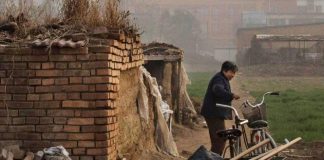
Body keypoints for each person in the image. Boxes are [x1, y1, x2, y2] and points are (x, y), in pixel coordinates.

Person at [201, 61, 240, 155]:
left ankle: (213, 157)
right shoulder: (219, 78)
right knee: (220, 140)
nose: (233, 75)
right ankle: (214, 158)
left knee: (218, 140)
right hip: (213, 114)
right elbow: (217, 89)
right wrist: (232, 95)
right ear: (225, 71)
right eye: (232, 72)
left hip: (214, 114)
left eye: (234, 73)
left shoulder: (222, 78)